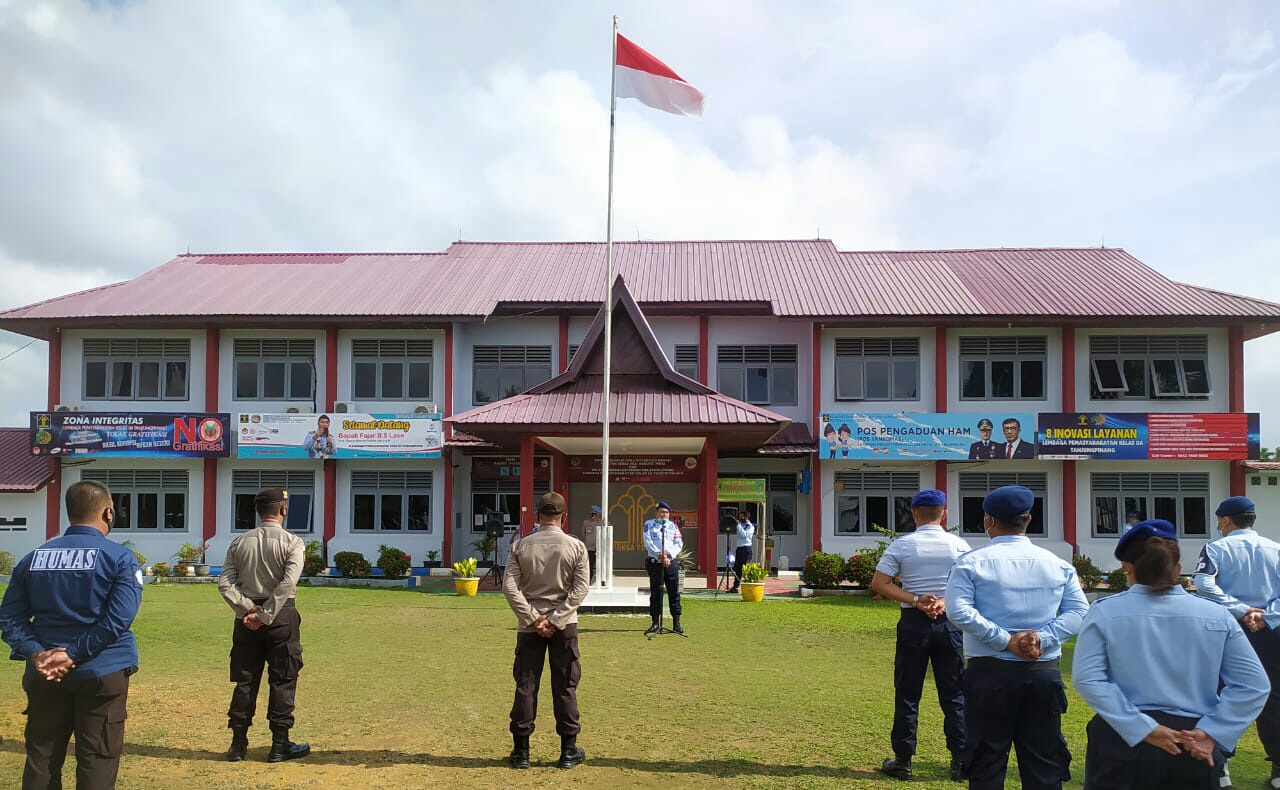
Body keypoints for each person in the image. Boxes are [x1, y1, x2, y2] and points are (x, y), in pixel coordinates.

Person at [1074, 519, 1269, 790]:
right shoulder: (1216, 614)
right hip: (1193, 739)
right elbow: (1254, 685)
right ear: (1178, 568)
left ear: (1127, 567)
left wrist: (1143, 728)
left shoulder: (1105, 611)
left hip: (1123, 736)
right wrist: (1213, 732)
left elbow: (1089, 679)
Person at [945, 484, 1090, 790]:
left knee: (986, 764)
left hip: (990, 673)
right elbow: (1078, 612)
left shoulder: (971, 562)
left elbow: (958, 611)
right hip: (1041, 674)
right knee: (1044, 766)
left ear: (988, 520)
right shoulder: (1058, 564)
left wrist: (1004, 640)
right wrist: (1042, 639)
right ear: (1029, 519)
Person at [0, 479, 143, 789]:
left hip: (45, 674)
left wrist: (37, 652)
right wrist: (73, 653)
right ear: (108, 513)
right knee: (97, 758)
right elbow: (118, 618)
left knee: (42, 756)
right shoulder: (119, 558)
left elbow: (10, 616)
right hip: (101, 671)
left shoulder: (33, 558)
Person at [872, 489, 973, 782]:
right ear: (944, 513)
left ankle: (903, 761)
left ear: (914, 513)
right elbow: (970, 585)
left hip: (914, 622)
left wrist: (916, 600)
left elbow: (880, 583)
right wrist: (944, 600)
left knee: (907, 692)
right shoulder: (959, 545)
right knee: (954, 694)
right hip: (949, 623)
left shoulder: (903, 545)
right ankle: (960, 761)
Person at [1192, 495, 1280, 788]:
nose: (1218, 525)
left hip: (1228, 628)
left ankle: (1219, 764)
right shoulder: (1276, 548)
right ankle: (1279, 768)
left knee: (1218, 695)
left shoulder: (1216, 548)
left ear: (1226, 520)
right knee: (1274, 696)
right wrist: (1265, 616)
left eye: (1219, 519)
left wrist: (1243, 611)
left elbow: (1203, 583)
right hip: (1270, 631)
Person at [218, 487, 310, 763]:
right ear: (283, 510)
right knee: (283, 678)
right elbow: (287, 583)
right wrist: (266, 614)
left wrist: (249, 610)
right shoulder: (292, 542)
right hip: (280, 616)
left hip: (246, 619)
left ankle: (238, 744)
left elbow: (225, 583)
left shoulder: (239, 542)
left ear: (258, 511)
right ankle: (280, 745)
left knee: (245, 680)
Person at [502, 492, 590, 770]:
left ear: (537, 516)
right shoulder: (576, 547)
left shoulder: (520, 546)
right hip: (564, 627)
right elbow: (580, 589)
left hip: (529, 628)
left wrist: (533, 618)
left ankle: (521, 752)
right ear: (564, 517)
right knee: (565, 686)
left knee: (526, 684)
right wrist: (557, 619)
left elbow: (510, 587)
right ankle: (568, 750)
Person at [643, 502, 684, 634]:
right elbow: (648, 542)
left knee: (674, 592)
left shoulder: (673, 526)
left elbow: (678, 543)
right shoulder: (649, 524)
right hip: (655, 562)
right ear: (657, 512)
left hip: (670, 563)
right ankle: (655, 623)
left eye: (666, 513)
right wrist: (660, 554)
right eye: (661, 512)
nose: (664, 515)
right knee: (655, 592)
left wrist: (668, 554)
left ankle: (676, 623)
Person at [729, 511, 756, 593]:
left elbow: (745, 535)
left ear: (746, 517)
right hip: (739, 549)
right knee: (738, 569)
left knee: (746, 569)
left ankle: (750, 586)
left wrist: (738, 526)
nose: (740, 518)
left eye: (742, 517)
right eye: (740, 517)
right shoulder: (740, 525)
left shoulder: (750, 526)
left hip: (746, 549)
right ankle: (735, 587)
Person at [580, 505, 602, 584]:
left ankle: (602, 581)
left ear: (598, 514)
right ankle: (588, 581)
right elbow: (583, 534)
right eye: (592, 513)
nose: (593, 515)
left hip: (599, 548)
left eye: (595, 513)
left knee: (601, 566)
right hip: (589, 549)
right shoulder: (586, 523)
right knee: (589, 566)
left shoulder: (601, 523)